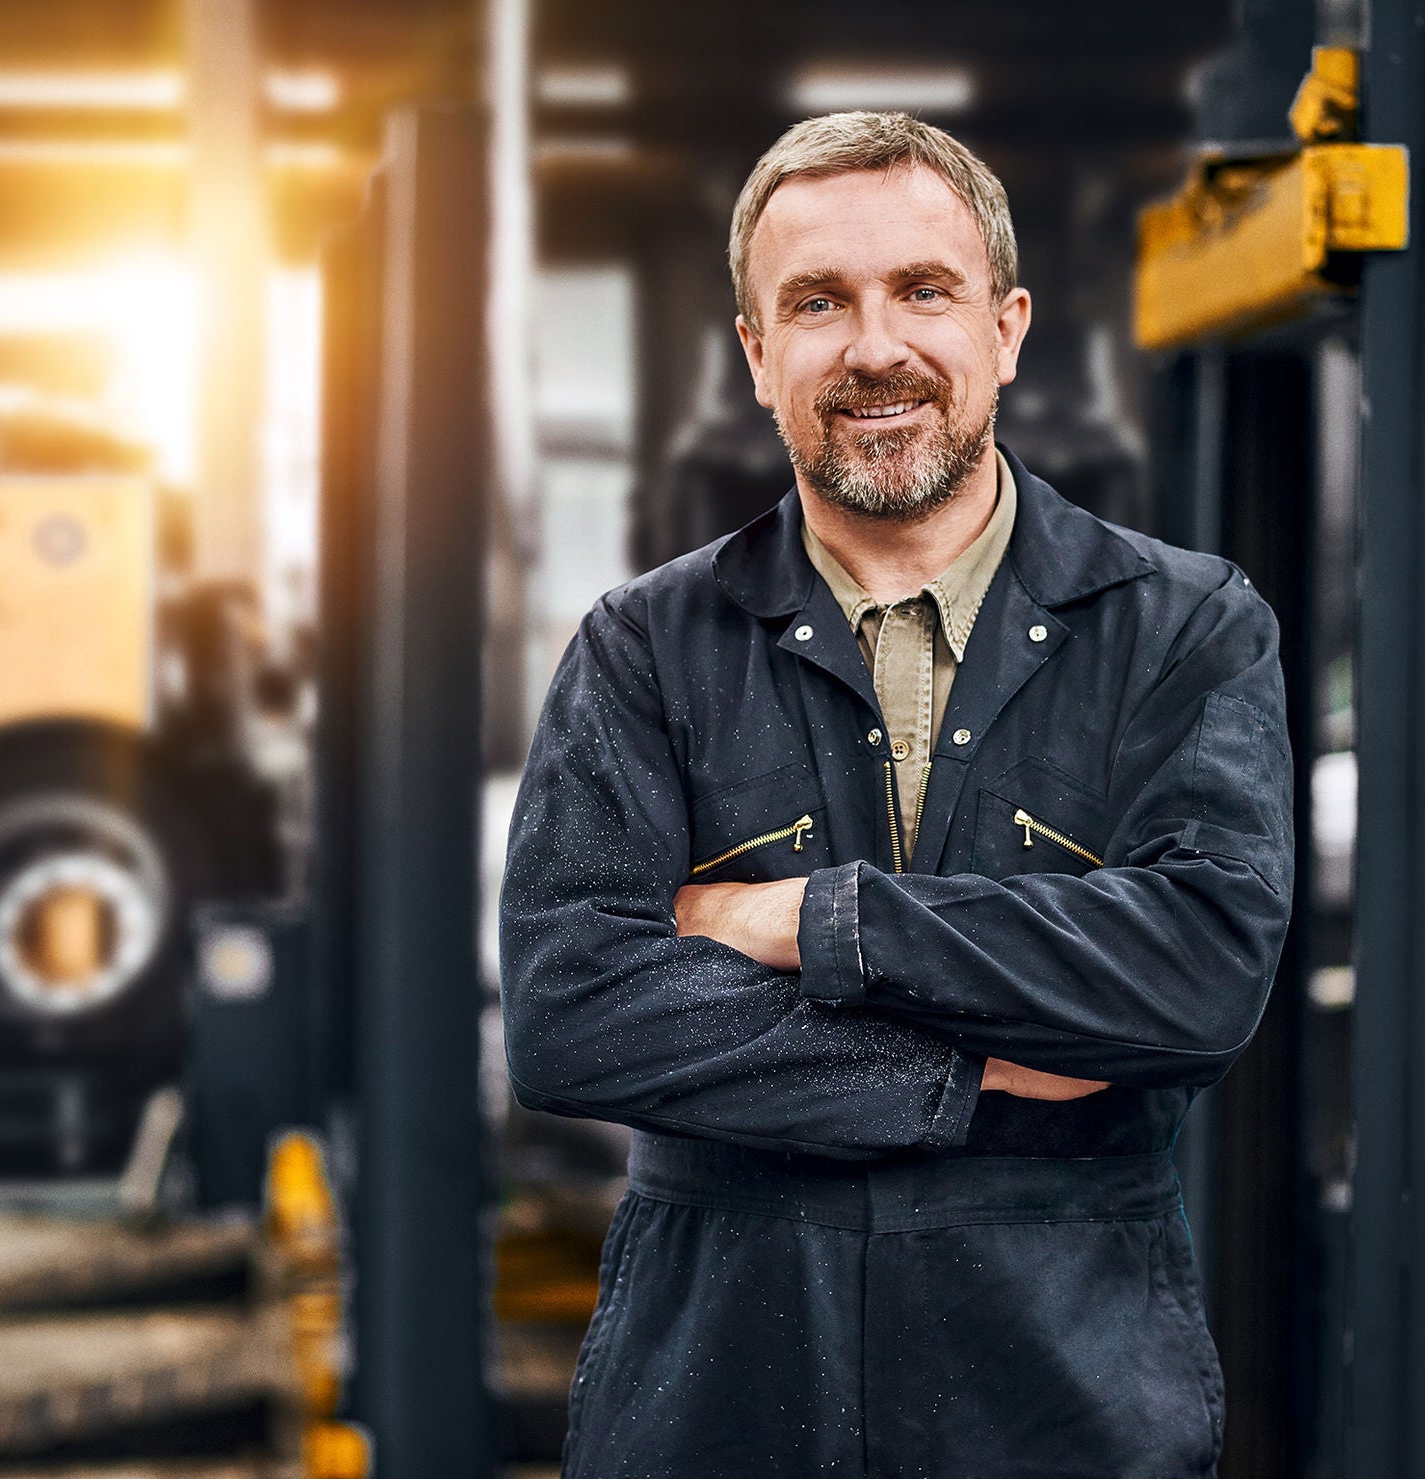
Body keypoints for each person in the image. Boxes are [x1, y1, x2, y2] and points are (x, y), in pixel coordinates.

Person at [500, 111, 1293, 1478]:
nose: (876, 347)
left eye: (925, 291)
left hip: (1060, 1408)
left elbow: (1200, 975)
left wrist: (807, 922)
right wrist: (970, 1070)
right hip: (721, 1405)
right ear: (757, 356)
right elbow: (574, 1013)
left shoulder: (1182, 629)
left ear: (1008, 328)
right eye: (818, 302)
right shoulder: (646, 648)